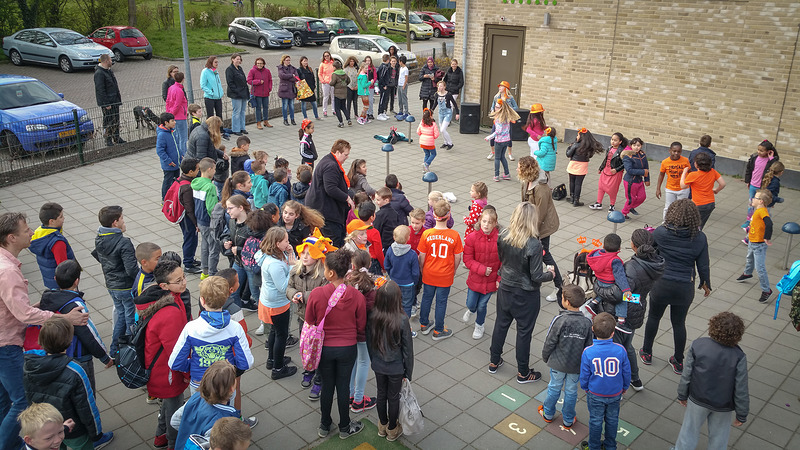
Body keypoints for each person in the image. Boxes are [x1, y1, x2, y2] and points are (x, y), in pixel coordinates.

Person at [0, 212, 88, 449]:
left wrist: (33, 307)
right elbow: (23, 315)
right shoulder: (7, 271)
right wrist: (63, 317)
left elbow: (15, 307)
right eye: (25, 229)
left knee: (5, 400)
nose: (31, 232)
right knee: (20, 402)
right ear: (11, 237)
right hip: (6, 345)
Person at [640, 199, 711, 376]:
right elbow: (703, 265)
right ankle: (678, 360)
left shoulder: (661, 232)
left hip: (661, 284)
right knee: (679, 323)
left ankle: (647, 352)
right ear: (695, 218)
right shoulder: (700, 238)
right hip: (684, 287)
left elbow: (650, 252)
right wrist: (706, 283)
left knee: (654, 317)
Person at [23, 316, 114, 449]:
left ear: (41, 339)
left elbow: (29, 398)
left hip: (47, 429)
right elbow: (87, 405)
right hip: (73, 429)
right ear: (69, 341)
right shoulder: (75, 370)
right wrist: (96, 433)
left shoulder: (28, 365)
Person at [489, 202, 554, 382]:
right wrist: (551, 274)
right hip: (526, 294)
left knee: (501, 324)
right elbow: (536, 275)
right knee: (524, 332)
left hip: (506, 287)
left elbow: (502, 259)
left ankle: (494, 361)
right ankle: (523, 372)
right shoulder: (533, 244)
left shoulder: (503, 235)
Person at [305, 249, 366, 439]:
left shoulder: (317, 294)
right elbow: (361, 325)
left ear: (330, 273)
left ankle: (324, 425)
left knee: (327, 386)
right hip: (348, 348)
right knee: (343, 386)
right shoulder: (357, 296)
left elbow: (310, 320)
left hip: (324, 349)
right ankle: (345, 427)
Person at [674, 312, 749, 450]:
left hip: (697, 398)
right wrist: (742, 413)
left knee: (689, 431)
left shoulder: (698, 345)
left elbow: (687, 374)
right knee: (719, 437)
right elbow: (741, 387)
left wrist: (682, 394)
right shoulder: (739, 356)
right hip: (723, 405)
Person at [139, 260, 190, 449]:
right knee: (175, 413)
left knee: (168, 406)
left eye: (184, 276)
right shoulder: (170, 313)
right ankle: (173, 443)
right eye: (178, 280)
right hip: (167, 372)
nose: (184, 282)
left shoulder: (163, 299)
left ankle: (160, 437)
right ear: (164, 286)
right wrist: (187, 375)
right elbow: (177, 352)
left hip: (159, 369)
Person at [40, 260, 113, 393]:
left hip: (55, 353)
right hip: (79, 356)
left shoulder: (48, 298)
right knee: (85, 391)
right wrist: (104, 357)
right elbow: (89, 334)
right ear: (76, 281)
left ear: (55, 278)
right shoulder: (76, 306)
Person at [606, 229, 664, 392]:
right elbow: (637, 295)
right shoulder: (655, 263)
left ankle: (617, 384)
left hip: (623, 314)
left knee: (617, 349)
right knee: (628, 346)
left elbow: (622, 295)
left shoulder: (631, 268)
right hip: (639, 307)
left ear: (633, 244)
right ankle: (635, 378)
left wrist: (600, 289)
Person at [538, 284, 593, 429]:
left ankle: (548, 413)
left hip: (557, 363)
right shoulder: (587, 323)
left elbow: (550, 341)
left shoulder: (559, 320)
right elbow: (589, 347)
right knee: (571, 391)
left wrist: (546, 357)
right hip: (576, 365)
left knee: (554, 388)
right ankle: (568, 419)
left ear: (566, 302)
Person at [366, 281, 414, 441]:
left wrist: (373, 360)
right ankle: (392, 428)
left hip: (378, 363)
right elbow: (407, 350)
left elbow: (369, 341)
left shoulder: (373, 315)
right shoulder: (401, 320)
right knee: (393, 397)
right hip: (396, 367)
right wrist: (408, 372)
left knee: (381, 393)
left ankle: (382, 425)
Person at [287, 231, 334, 396]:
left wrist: (304, 296)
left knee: (319, 349)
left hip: (319, 321)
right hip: (302, 317)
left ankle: (320, 379)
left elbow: (325, 295)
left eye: (309, 253)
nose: (305, 256)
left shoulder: (323, 274)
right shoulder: (296, 269)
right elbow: (289, 286)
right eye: (303, 253)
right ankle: (309, 371)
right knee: (305, 346)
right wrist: (293, 294)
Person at [91, 205, 138, 357]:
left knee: (121, 316)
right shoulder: (123, 242)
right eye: (122, 218)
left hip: (112, 285)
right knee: (130, 318)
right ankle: (129, 350)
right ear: (115, 223)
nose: (124, 221)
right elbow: (131, 269)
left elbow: (100, 258)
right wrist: (140, 280)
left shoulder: (100, 238)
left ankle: (114, 350)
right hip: (125, 286)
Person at [579, 313, 630, 450]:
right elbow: (626, 372)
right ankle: (610, 446)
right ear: (613, 333)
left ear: (593, 330)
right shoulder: (620, 350)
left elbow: (584, 374)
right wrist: (624, 387)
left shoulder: (588, 351)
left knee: (595, 421)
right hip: (615, 393)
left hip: (595, 392)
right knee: (612, 420)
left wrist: (585, 387)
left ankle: (594, 446)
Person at [517, 156, 563, 302]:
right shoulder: (526, 182)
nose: (517, 169)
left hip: (542, 227)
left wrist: (534, 233)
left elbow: (540, 213)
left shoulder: (540, 188)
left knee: (544, 254)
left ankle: (559, 286)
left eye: (519, 167)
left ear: (526, 169)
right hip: (531, 224)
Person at [254, 227, 298, 379]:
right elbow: (284, 287)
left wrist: (289, 251)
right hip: (277, 304)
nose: (288, 242)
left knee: (274, 331)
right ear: (277, 243)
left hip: (270, 301)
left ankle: (272, 360)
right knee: (281, 335)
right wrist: (292, 267)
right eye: (286, 240)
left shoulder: (273, 255)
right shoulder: (274, 264)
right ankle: (278, 369)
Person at [418, 200, 463, 341]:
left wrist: (422, 269)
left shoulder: (427, 234)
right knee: (441, 302)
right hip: (445, 274)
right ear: (448, 215)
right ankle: (438, 330)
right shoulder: (454, 235)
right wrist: (453, 270)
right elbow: (458, 257)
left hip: (429, 272)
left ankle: (424, 324)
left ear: (434, 215)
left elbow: (422, 256)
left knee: (426, 297)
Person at [172, 361, 244, 450]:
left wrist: (189, 430)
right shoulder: (223, 421)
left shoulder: (196, 397)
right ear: (232, 388)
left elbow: (174, 421)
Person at [306, 140, 356, 247]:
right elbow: (331, 188)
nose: (347, 157)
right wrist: (347, 198)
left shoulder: (328, 160)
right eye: (345, 154)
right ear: (337, 152)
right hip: (325, 212)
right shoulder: (331, 166)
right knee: (334, 240)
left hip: (321, 207)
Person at [462, 208, 500, 339]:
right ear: (480, 221)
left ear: (495, 223)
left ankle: (479, 325)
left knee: (482, 305)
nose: (486, 224)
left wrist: (499, 279)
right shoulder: (472, 238)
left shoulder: (500, 240)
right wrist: (482, 269)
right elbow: (467, 259)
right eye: (484, 221)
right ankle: (471, 310)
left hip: (491, 281)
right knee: (471, 303)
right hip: (475, 278)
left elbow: (504, 262)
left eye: (490, 222)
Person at [584, 234, 633, 333]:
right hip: (610, 283)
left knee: (603, 293)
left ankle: (593, 303)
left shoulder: (597, 255)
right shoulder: (615, 261)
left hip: (600, 282)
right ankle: (621, 321)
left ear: (603, 246)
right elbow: (620, 276)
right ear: (619, 248)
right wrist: (626, 289)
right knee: (621, 299)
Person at [736, 189, 774, 303]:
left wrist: (767, 237)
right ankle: (747, 273)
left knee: (760, 268)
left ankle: (766, 290)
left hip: (759, 244)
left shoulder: (762, 211)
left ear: (761, 201)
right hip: (752, 241)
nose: (753, 199)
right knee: (749, 258)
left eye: (755, 198)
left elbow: (769, 223)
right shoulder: (758, 210)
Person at [29, 202, 75, 290]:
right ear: (52, 221)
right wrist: (72, 288)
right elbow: (63, 267)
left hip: (50, 280)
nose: (64, 218)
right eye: (61, 217)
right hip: (63, 285)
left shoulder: (39, 234)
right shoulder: (57, 242)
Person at [192, 158, 221, 278]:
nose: (215, 172)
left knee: (204, 245)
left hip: (200, 220)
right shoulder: (210, 187)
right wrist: (216, 222)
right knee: (214, 247)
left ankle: (204, 270)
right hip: (209, 222)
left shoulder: (195, 183)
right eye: (214, 169)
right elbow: (211, 208)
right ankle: (212, 272)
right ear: (209, 169)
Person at [680, 152, 725, 229]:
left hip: (698, 204)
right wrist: (716, 190)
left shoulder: (693, 175)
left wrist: (684, 173)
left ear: (696, 164)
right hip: (710, 204)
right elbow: (723, 183)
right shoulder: (713, 171)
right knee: (700, 225)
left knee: (691, 225)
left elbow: (683, 186)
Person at [385, 225, 421, 319]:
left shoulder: (390, 250)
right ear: (408, 238)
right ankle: (406, 327)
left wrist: (391, 275)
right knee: (407, 305)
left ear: (394, 237)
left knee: (395, 304)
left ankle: (394, 324)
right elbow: (415, 273)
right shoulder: (412, 254)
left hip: (394, 282)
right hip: (408, 284)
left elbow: (387, 265)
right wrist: (414, 282)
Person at [565, 128, 604, 207]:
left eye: (578, 135)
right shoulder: (589, 146)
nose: (577, 136)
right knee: (578, 183)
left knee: (572, 181)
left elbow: (568, 154)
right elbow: (590, 156)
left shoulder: (575, 145)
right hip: (583, 166)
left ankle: (572, 197)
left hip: (573, 164)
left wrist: (569, 147)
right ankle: (576, 200)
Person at [589, 132, 627, 211]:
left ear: (620, 142)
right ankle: (598, 203)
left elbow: (625, 164)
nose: (613, 141)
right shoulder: (609, 148)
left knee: (612, 189)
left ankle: (612, 205)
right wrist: (601, 168)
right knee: (601, 187)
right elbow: (606, 159)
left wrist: (616, 169)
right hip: (606, 170)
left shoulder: (622, 151)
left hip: (615, 173)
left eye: (615, 140)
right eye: (612, 139)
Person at [485, 99, 519, 182]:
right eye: (496, 106)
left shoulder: (498, 118)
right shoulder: (507, 116)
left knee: (497, 158)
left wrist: (490, 137)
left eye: (497, 107)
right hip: (506, 140)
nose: (495, 108)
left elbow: (498, 131)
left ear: (501, 108)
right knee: (502, 157)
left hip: (499, 141)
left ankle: (496, 175)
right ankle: (506, 174)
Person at [94, 53, 124, 147]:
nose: (112, 61)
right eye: (110, 60)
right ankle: (108, 139)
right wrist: (106, 103)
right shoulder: (99, 73)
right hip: (108, 102)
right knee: (108, 121)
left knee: (116, 119)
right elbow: (100, 90)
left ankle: (116, 137)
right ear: (106, 61)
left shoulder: (109, 71)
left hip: (114, 100)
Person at [655, 142, 691, 221]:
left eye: (679, 151)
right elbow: (661, 175)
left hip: (683, 189)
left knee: (681, 208)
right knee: (668, 207)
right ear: (670, 150)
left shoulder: (685, 160)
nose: (676, 153)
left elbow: (690, 173)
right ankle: (665, 222)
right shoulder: (665, 162)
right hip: (670, 189)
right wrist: (658, 188)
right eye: (674, 151)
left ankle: (679, 223)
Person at [743, 140, 780, 211]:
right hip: (753, 184)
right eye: (758, 150)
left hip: (763, 187)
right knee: (751, 203)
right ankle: (749, 220)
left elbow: (774, 169)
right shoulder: (754, 158)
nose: (759, 152)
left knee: (761, 204)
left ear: (768, 151)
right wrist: (748, 181)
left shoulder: (771, 161)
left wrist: (771, 159)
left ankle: (760, 218)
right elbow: (749, 169)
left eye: (761, 151)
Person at [487, 81, 518, 161]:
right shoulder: (496, 97)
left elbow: (516, 107)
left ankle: (510, 154)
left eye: (501, 86)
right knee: (492, 135)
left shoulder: (510, 98)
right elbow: (492, 106)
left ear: (506, 88)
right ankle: (492, 152)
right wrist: (492, 110)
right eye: (499, 86)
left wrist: (508, 110)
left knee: (508, 136)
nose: (499, 88)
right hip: (497, 119)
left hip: (507, 119)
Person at [620, 137, 650, 219]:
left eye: (638, 145)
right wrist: (643, 172)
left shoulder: (642, 155)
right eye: (634, 145)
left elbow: (646, 168)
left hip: (639, 180)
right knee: (631, 199)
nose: (636, 147)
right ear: (631, 146)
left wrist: (647, 179)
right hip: (630, 181)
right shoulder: (628, 156)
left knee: (642, 197)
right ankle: (624, 213)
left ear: (641, 146)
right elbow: (629, 170)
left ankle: (630, 207)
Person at [156, 112, 182, 200]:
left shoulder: (172, 132)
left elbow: (177, 145)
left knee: (176, 181)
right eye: (172, 121)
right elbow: (160, 150)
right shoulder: (162, 135)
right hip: (169, 165)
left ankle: (174, 197)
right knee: (167, 182)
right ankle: (165, 199)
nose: (175, 122)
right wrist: (168, 161)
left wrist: (181, 154)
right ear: (166, 123)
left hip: (176, 163)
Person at [166, 72, 189, 156]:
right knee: (183, 138)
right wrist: (173, 113)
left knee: (177, 136)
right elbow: (177, 104)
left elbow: (168, 101)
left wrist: (169, 113)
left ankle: (178, 154)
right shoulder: (180, 90)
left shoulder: (171, 88)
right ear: (183, 79)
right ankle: (183, 155)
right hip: (180, 116)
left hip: (173, 116)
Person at [431, 80, 459, 150]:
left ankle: (450, 143)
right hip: (440, 113)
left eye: (441, 86)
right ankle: (445, 142)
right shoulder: (436, 94)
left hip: (447, 112)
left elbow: (454, 104)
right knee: (441, 128)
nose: (439, 87)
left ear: (444, 87)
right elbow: (435, 103)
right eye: (438, 86)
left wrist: (457, 113)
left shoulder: (448, 94)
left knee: (443, 129)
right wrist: (431, 112)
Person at [225, 53, 249, 136]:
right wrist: (237, 91)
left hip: (243, 93)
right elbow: (230, 82)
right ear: (232, 59)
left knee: (242, 111)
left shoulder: (240, 68)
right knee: (237, 111)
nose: (238, 61)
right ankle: (235, 129)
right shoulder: (229, 69)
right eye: (237, 59)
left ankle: (242, 128)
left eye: (239, 59)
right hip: (236, 94)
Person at [247, 57, 273, 129]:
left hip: (265, 93)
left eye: (261, 63)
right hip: (257, 93)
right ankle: (258, 122)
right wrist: (258, 82)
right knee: (258, 108)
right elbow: (249, 81)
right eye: (258, 63)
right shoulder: (252, 71)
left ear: (264, 64)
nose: (259, 65)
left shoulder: (267, 71)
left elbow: (270, 80)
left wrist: (269, 88)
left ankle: (266, 121)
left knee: (266, 107)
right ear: (256, 64)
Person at [200, 56, 225, 128]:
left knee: (219, 115)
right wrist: (211, 93)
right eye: (215, 62)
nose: (217, 64)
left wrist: (221, 92)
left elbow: (218, 83)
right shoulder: (205, 71)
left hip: (218, 97)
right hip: (209, 98)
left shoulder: (215, 71)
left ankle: (220, 130)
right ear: (211, 62)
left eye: (217, 62)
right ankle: (210, 131)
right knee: (210, 116)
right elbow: (203, 85)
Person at [277, 55, 299, 126]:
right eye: (287, 60)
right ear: (283, 61)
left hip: (292, 89)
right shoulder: (280, 68)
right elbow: (282, 76)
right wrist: (291, 75)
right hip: (284, 89)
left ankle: (292, 119)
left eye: (289, 60)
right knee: (285, 105)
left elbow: (296, 77)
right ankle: (285, 119)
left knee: (292, 105)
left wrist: (289, 77)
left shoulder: (293, 68)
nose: (288, 61)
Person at [330, 60, 352, 127]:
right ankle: (348, 119)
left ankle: (341, 122)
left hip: (337, 93)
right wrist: (344, 84)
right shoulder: (344, 73)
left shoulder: (334, 74)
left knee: (337, 108)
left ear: (334, 67)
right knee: (344, 107)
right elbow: (349, 80)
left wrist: (330, 83)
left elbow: (333, 82)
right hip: (344, 92)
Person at [377, 56, 398, 120]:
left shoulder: (385, 66)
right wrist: (384, 85)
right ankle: (379, 113)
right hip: (383, 86)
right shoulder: (383, 67)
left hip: (385, 85)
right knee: (382, 99)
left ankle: (383, 112)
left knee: (385, 99)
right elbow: (381, 77)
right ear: (388, 60)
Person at [319, 51, 335, 118]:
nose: (326, 57)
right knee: (326, 97)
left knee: (333, 97)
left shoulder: (333, 63)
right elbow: (319, 73)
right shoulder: (322, 64)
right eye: (325, 56)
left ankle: (334, 109)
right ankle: (324, 110)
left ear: (330, 56)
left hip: (333, 82)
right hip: (326, 83)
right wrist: (322, 80)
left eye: (327, 55)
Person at [362, 56, 378, 120]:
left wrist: (372, 82)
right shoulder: (364, 69)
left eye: (369, 60)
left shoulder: (372, 68)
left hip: (371, 87)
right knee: (366, 101)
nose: (368, 62)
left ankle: (370, 113)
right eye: (367, 60)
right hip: (365, 87)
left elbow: (375, 77)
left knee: (370, 100)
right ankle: (366, 113)